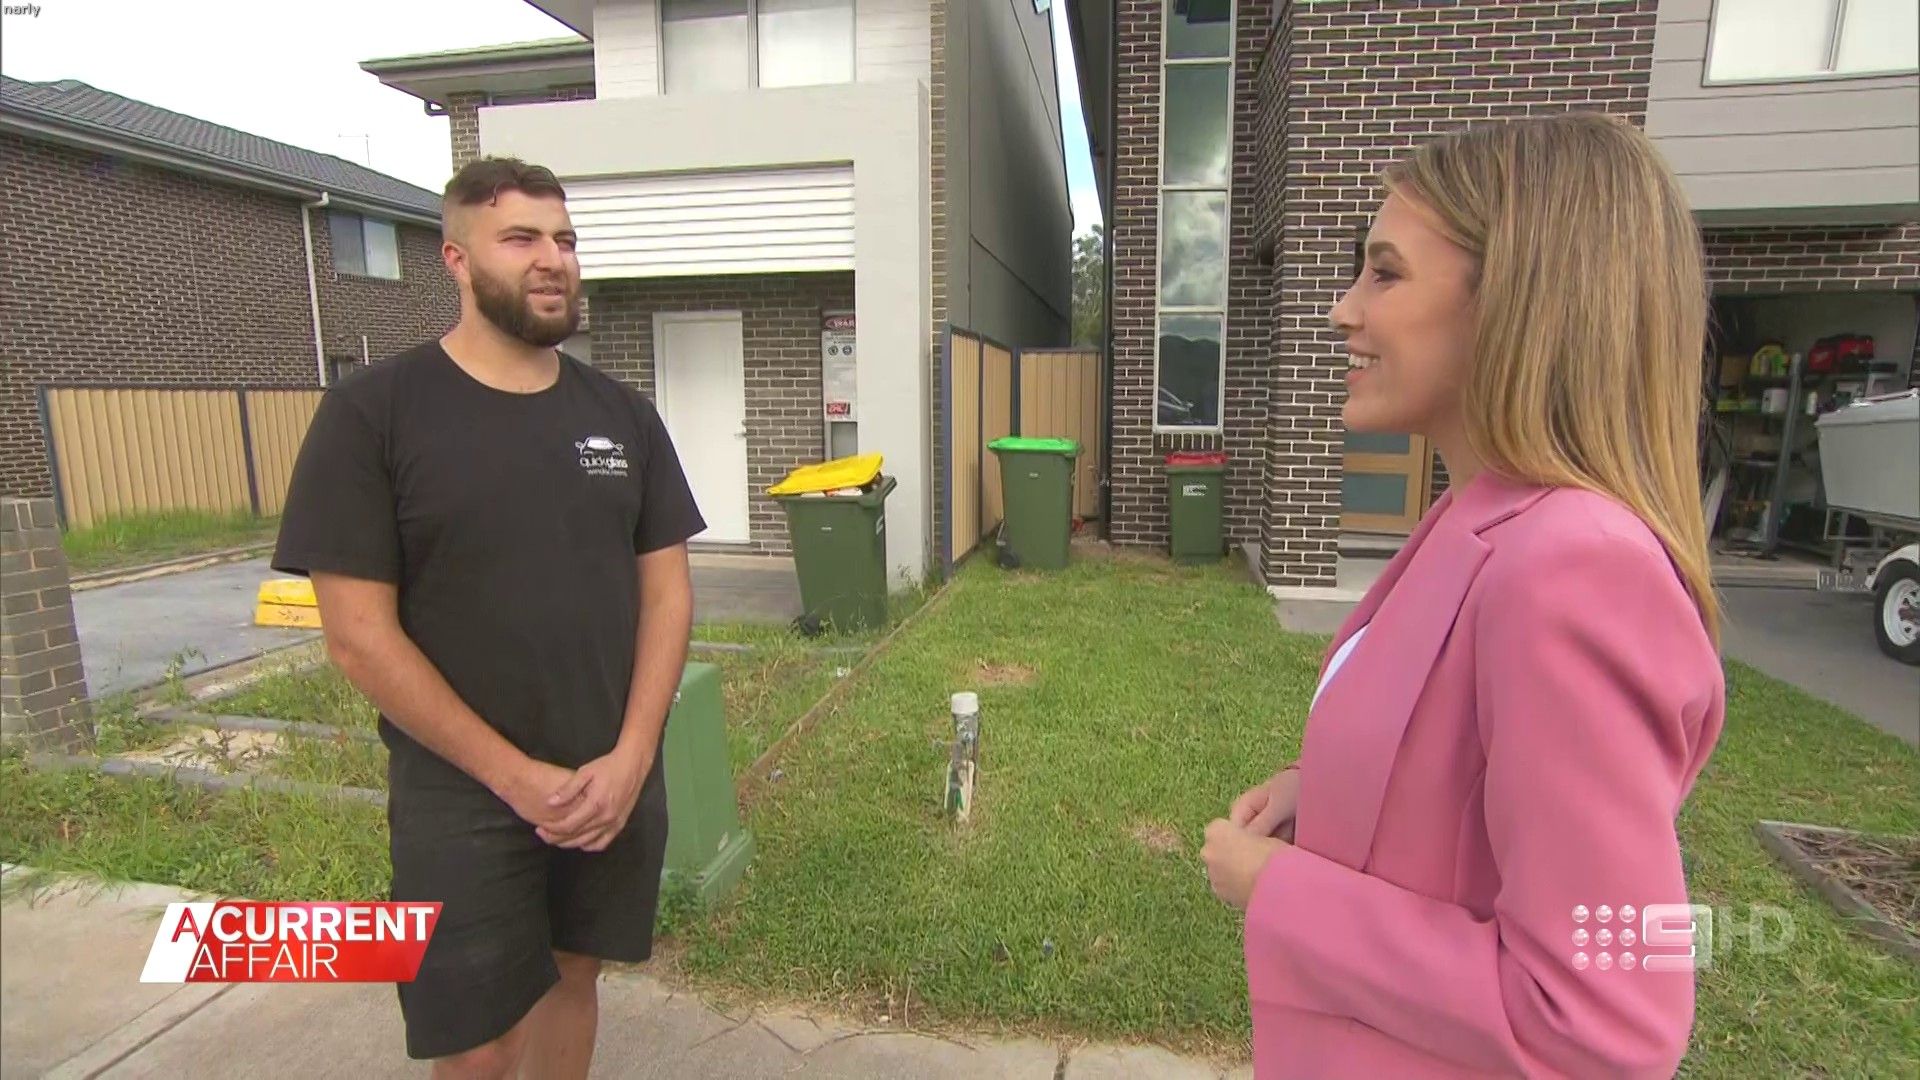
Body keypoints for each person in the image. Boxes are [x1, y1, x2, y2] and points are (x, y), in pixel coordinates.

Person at [1200, 113, 1727, 1078]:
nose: (1342, 311)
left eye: (1385, 273)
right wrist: (1327, 790)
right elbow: (1460, 768)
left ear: (1517, 302)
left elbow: (1600, 1019)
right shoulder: (1475, 521)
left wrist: (1279, 889)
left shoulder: (1572, 570)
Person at [272, 156, 705, 1079]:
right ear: (458, 260)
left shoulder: (624, 417)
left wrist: (633, 758)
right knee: (477, 1043)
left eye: (565, 239)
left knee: (573, 978)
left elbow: (668, 595)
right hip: (460, 790)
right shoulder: (372, 414)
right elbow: (358, 635)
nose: (554, 259)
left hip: (606, 776)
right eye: (521, 239)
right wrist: (514, 778)